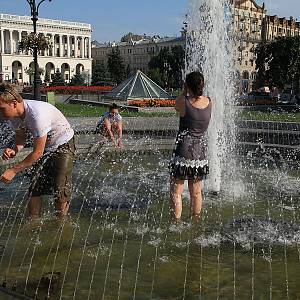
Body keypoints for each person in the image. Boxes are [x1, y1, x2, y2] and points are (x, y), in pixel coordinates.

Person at [0, 83, 75, 218]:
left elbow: (37, 153)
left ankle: (61, 223)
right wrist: (14, 150)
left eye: (1, 108)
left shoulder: (37, 115)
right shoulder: (13, 116)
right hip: (46, 146)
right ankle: (33, 220)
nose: (0, 112)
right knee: (35, 185)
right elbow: (21, 138)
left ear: (14, 103)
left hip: (63, 143)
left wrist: (13, 170)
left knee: (60, 187)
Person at [169, 71, 212, 222]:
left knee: (176, 191)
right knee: (196, 192)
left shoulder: (183, 101)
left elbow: (176, 107)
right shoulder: (209, 102)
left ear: (187, 85)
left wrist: (184, 91)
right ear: (202, 85)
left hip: (183, 151)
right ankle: (195, 220)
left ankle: (176, 222)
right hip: (200, 152)